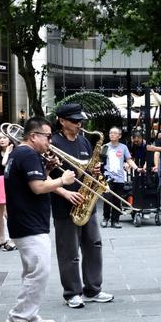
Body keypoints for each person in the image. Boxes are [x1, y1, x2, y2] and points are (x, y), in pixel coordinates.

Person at [4, 116, 77, 322]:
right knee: (40, 271)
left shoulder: (22, 153)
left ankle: (31, 315)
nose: (50, 141)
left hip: (25, 220)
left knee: (31, 271)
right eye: (47, 136)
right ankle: (19, 316)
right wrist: (62, 180)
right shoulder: (27, 154)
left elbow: (32, 183)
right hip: (29, 222)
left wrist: (47, 169)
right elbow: (37, 188)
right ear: (33, 136)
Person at [50, 103, 114, 309]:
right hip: (64, 203)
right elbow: (46, 177)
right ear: (62, 121)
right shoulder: (53, 143)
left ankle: (93, 289)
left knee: (94, 245)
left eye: (80, 120)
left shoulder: (85, 141)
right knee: (69, 251)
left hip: (87, 201)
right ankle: (72, 292)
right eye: (75, 120)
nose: (80, 124)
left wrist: (95, 170)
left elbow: (90, 169)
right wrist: (65, 193)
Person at [100, 127, 140, 229]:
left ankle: (115, 220)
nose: (112, 134)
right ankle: (105, 218)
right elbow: (100, 161)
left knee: (117, 200)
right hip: (107, 177)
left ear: (119, 136)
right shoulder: (105, 147)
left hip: (120, 178)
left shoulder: (123, 147)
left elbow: (129, 160)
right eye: (111, 133)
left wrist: (136, 168)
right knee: (108, 198)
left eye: (114, 133)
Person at [0, 131, 15, 251]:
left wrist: (7, 151)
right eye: (0, 138)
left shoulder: (13, 151)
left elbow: (4, 163)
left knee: (8, 213)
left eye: (4, 138)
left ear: (10, 139)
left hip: (9, 181)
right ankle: (2, 239)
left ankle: (13, 239)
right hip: (0, 182)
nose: (1, 140)